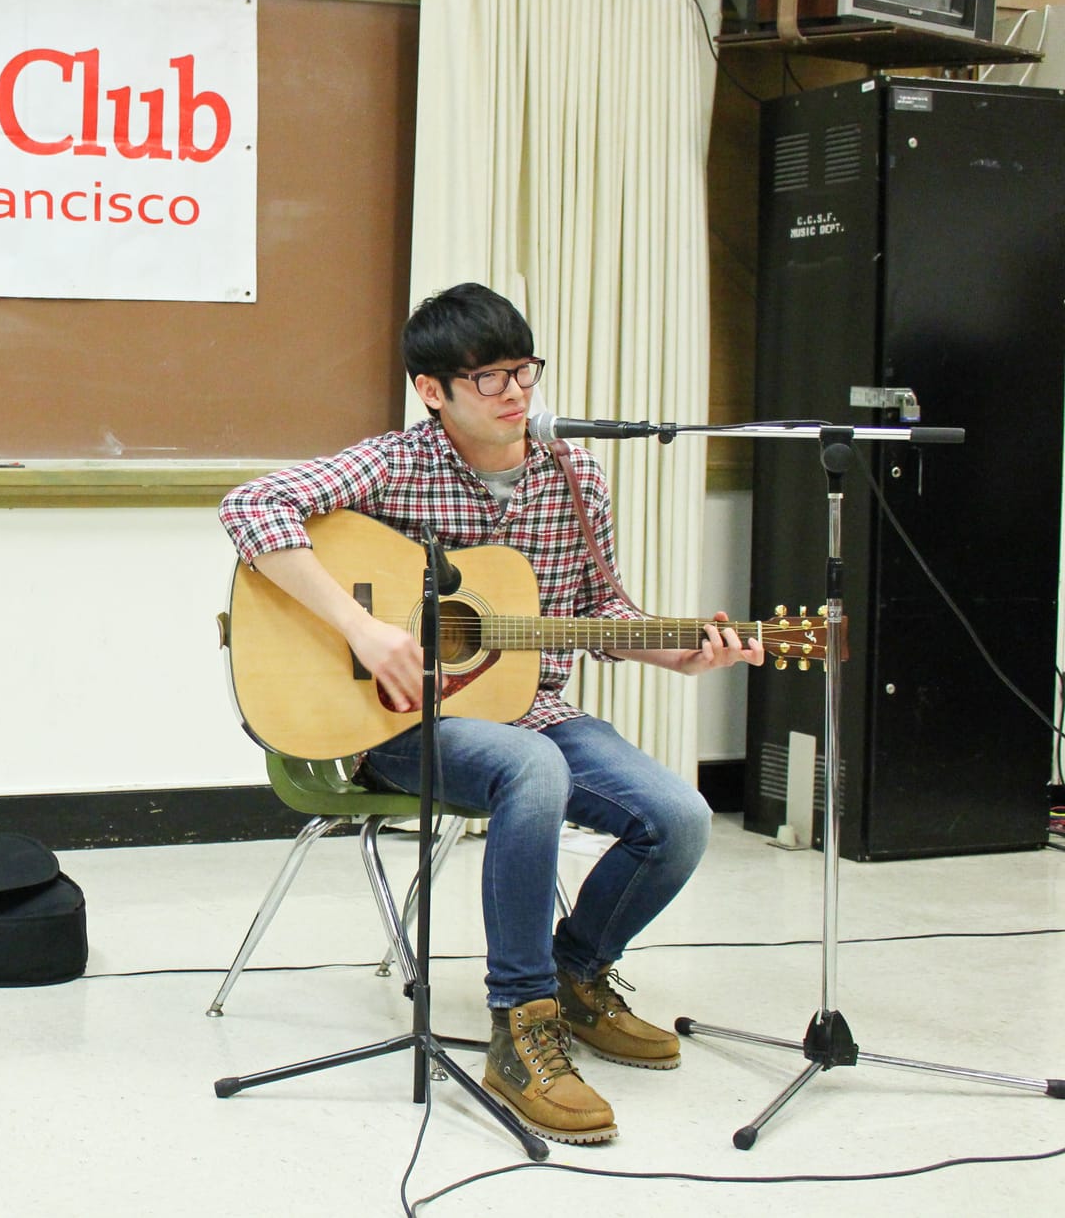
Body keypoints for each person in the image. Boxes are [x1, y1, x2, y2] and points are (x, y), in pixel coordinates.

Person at [217, 282, 763, 1146]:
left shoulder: (575, 475)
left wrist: (683, 650)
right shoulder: (397, 462)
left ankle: (577, 974)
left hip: (532, 709)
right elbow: (250, 506)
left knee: (680, 817)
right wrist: (363, 627)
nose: (515, 393)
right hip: (396, 724)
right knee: (529, 768)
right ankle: (519, 1023)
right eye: (488, 378)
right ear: (432, 390)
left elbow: (599, 611)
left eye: (523, 370)